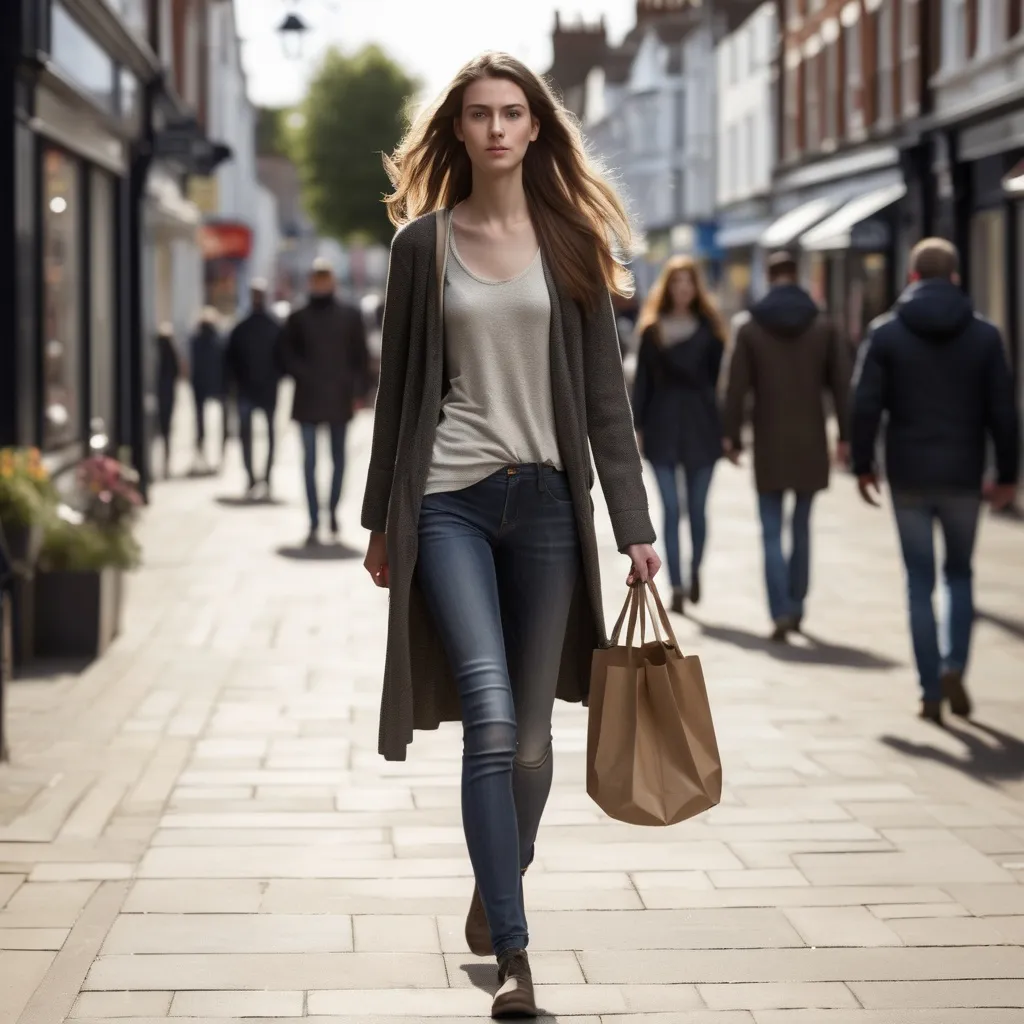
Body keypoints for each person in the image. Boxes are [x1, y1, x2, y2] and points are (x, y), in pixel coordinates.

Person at [360, 52, 660, 1018]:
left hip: (545, 513)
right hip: (447, 502)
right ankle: (519, 951)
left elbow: (607, 407)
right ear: (458, 130)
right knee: (491, 720)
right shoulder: (422, 248)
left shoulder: (570, 242)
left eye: (513, 113)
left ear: (536, 129)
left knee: (532, 742)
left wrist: (636, 528)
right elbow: (398, 397)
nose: (495, 128)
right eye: (480, 114)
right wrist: (380, 522)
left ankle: (495, 884)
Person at [851, 237, 1019, 724]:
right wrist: (1007, 474)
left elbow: (864, 405)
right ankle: (954, 666)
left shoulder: (886, 333)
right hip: (965, 474)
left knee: (919, 581)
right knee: (960, 574)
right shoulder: (985, 336)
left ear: (911, 278)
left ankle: (929, 690)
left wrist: (864, 464)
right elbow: (1004, 413)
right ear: (956, 278)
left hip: (908, 475)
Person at [722, 250, 850, 642]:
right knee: (803, 526)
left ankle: (778, 610)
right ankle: (797, 606)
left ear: (768, 274)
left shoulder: (750, 327)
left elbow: (736, 386)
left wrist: (730, 435)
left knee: (771, 530)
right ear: (797, 276)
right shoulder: (824, 325)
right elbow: (842, 386)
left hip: (769, 439)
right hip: (811, 438)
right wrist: (845, 437)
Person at [633, 256, 725, 615]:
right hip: (662, 426)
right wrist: (637, 429)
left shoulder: (711, 329)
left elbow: (717, 382)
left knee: (698, 510)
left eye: (688, 282)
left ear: (696, 286)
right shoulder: (651, 330)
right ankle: (674, 585)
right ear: (667, 286)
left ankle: (694, 570)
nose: (683, 288)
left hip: (702, 426)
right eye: (676, 282)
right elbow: (641, 386)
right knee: (671, 508)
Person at [278, 260, 369, 545]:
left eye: (325, 278)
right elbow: (284, 354)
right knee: (309, 462)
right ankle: (314, 518)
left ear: (333, 281)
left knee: (339, 460)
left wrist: (357, 392)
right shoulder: (297, 317)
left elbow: (361, 358)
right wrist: (304, 374)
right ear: (310, 282)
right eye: (316, 279)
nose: (320, 283)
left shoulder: (350, 316)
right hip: (307, 399)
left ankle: (332, 512)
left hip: (339, 399)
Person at [225, 279, 283, 499]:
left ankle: (261, 478)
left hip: (254, 390)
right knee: (255, 436)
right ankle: (256, 478)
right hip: (254, 390)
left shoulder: (252, 327)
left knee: (257, 436)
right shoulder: (261, 327)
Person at [189, 307, 226, 473]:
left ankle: (202, 453)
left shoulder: (197, 340)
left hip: (201, 385)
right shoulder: (218, 339)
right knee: (218, 423)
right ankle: (216, 455)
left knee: (201, 423)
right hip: (216, 384)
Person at [155, 323, 183, 479]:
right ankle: (166, 460)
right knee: (166, 432)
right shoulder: (169, 355)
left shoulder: (158, 356)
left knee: (163, 431)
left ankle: (165, 460)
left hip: (163, 395)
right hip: (167, 396)